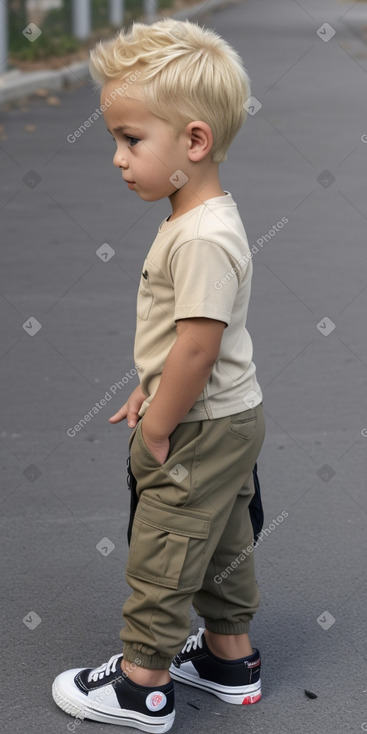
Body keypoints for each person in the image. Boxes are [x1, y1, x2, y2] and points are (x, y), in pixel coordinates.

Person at [52, 18, 265, 732]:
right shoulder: (196, 217)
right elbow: (187, 342)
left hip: (200, 422)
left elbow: (197, 350)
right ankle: (228, 660)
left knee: (167, 540)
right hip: (230, 413)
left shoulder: (200, 236)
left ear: (194, 142)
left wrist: (159, 426)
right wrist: (151, 381)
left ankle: (142, 684)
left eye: (131, 139)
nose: (117, 157)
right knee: (222, 537)